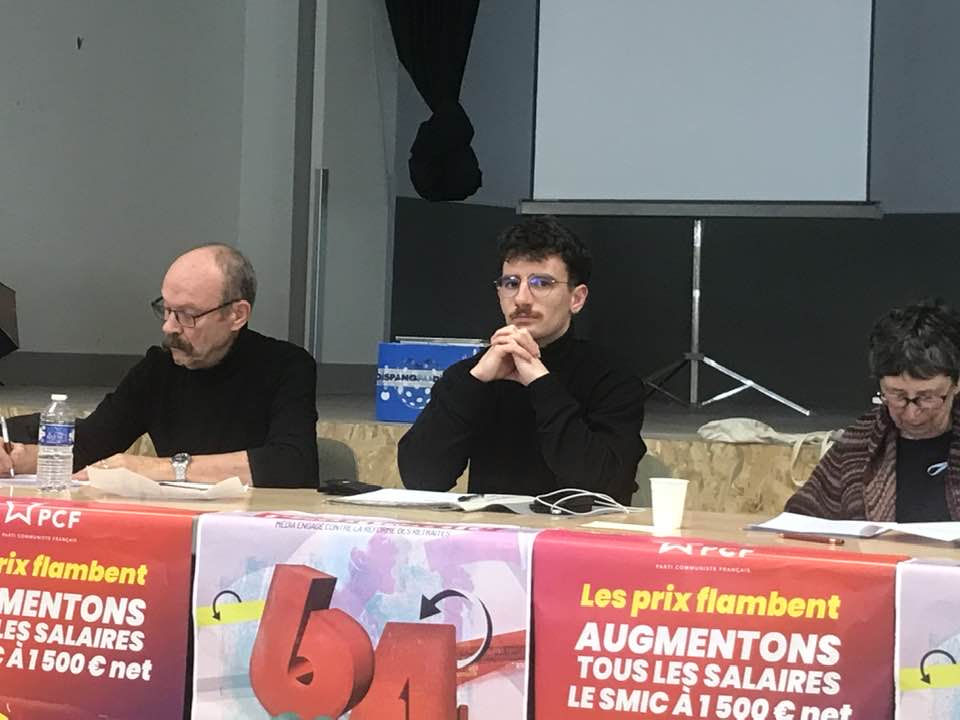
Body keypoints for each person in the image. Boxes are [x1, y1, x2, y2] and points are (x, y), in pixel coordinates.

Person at [0, 244, 319, 488]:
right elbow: (91, 444)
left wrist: (158, 468)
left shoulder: (286, 366)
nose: (169, 327)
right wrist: (15, 457)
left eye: (187, 315)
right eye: (165, 310)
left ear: (237, 315)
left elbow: (292, 464)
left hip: (252, 527)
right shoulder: (159, 368)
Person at [397, 216, 646, 505]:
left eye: (541, 283)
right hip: (490, 531)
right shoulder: (471, 375)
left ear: (576, 299)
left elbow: (605, 488)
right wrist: (472, 384)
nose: (522, 298)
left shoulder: (612, 376)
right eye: (511, 283)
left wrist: (541, 384)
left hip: (577, 531)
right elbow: (420, 479)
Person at [786, 299, 960, 521]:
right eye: (897, 396)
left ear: (957, 384)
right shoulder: (859, 445)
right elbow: (799, 521)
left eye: (927, 397)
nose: (912, 415)